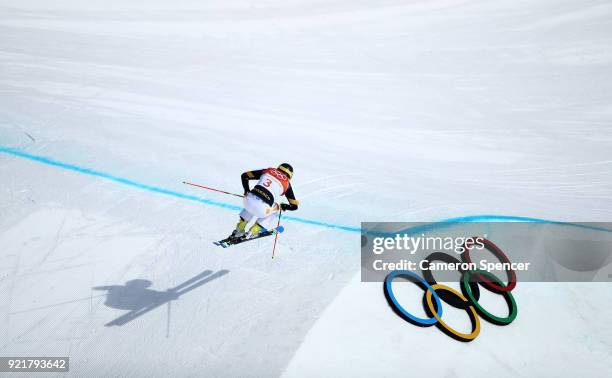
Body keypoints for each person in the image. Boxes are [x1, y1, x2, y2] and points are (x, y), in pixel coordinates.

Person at [231, 163, 299, 238]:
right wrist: (284, 206)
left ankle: (239, 228)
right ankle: (254, 230)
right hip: (262, 209)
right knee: (276, 207)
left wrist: (246, 190)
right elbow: (294, 206)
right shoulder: (287, 183)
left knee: (254, 198)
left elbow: (244, 176)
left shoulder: (268, 170)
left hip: (247, 202)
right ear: (290, 176)